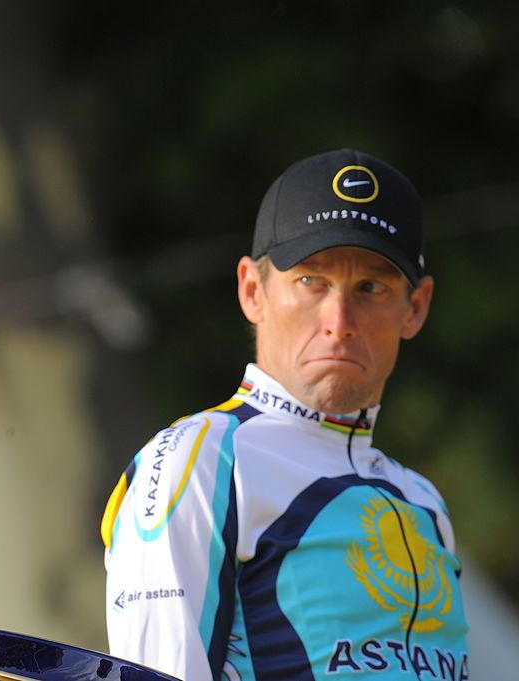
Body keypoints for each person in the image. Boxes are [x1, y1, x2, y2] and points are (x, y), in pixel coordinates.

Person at [101, 149, 470, 681]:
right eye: (310, 282)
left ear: (415, 307)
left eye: (371, 288)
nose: (339, 320)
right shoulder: (201, 460)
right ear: (253, 291)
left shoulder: (424, 502)